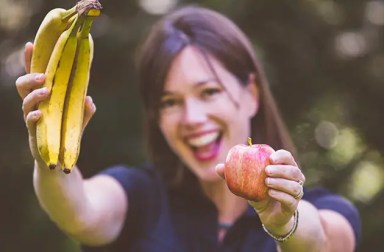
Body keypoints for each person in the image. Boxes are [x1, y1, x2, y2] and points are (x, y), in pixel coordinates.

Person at [16, 5, 361, 252]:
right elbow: (78, 211)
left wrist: (286, 224)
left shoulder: (327, 208)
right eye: (169, 102)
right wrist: (48, 144)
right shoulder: (141, 196)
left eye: (209, 92)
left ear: (251, 94)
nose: (192, 117)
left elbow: (326, 242)